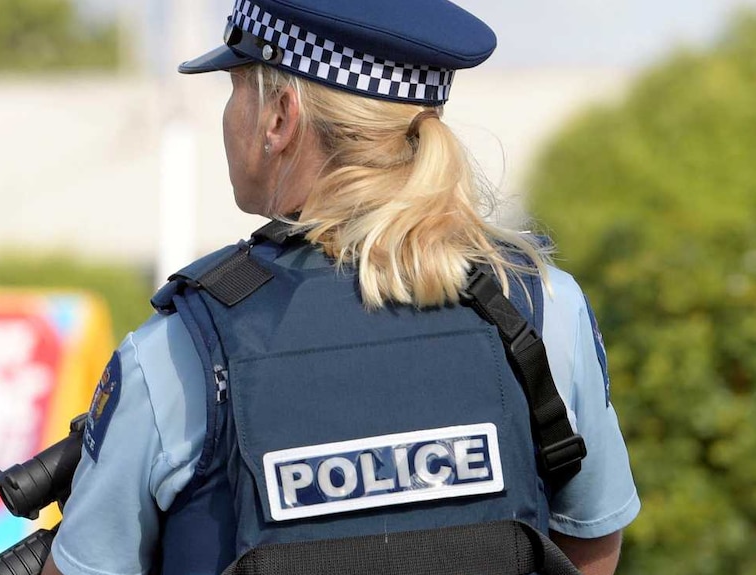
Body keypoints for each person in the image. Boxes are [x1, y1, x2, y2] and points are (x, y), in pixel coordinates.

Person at [41, 1, 640, 574]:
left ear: (278, 119)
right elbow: (590, 545)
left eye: (234, 89)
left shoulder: (176, 353)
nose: (227, 117)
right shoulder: (539, 307)